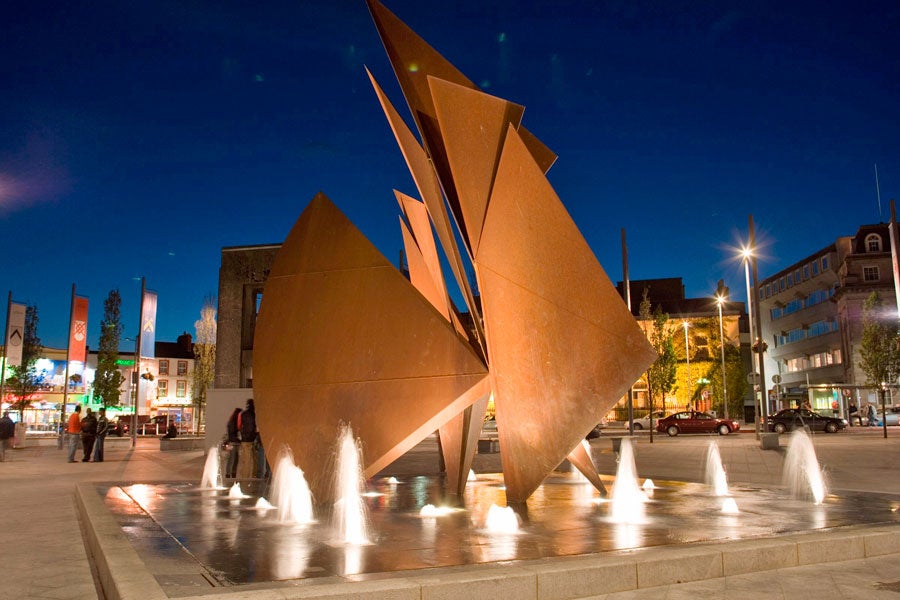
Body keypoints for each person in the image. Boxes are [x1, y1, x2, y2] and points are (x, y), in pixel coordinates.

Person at [238, 398, 258, 479]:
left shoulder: (242, 414)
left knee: (246, 461)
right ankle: (254, 476)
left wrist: (242, 434)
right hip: (254, 439)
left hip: (245, 440)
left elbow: (239, 426)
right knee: (255, 460)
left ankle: (245, 478)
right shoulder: (255, 414)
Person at [225, 408, 241, 478]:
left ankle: (232, 473)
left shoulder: (232, 422)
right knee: (232, 459)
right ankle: (229, 473)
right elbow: (231, 434)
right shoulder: (233, 423)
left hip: (234, 442)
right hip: (233, 443)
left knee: (234, 459)